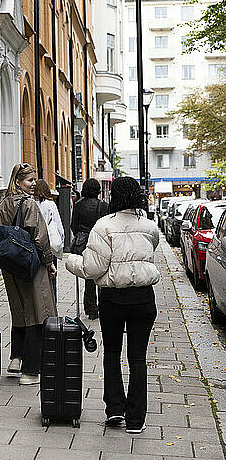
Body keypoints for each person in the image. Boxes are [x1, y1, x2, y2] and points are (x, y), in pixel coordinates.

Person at [66, 177, 160, 434]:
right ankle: (136, 420)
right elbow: (150, 250)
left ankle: (115, 409)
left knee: (112, 353)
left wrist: (69, 261)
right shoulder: (150, 227)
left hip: (113, 299)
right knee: (138, 358)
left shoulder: (103, 227)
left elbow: (91, 267)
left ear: (115, 196)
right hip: (143, 298)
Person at [0, 163, 57, 385]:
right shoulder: (29, 204)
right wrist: (49, 262)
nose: (34, 184)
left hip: (10, 265)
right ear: (18, 181)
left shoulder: (1, 205)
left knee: (20, 310)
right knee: (37, 313)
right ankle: (30, 371)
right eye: (30, 180)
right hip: (30, 264)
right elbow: (40, 237)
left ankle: (16, 358)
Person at [70, 178, 108, 320]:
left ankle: (91, 308)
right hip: (100, 242)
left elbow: (74, 225)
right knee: (102, 274)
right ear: (98, 190)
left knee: (89, 276)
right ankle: (103, 306)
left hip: (84, 242)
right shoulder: (104, 206)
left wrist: (80, 235)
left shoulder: (78, 204)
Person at [34, 179, 64, 301]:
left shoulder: (31, 203)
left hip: (35, 244)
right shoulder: (51, 205)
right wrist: (61, 241)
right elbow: (59, 226)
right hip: (49, 245)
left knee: (37, 277)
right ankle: (52, 304)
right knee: (52, 276)